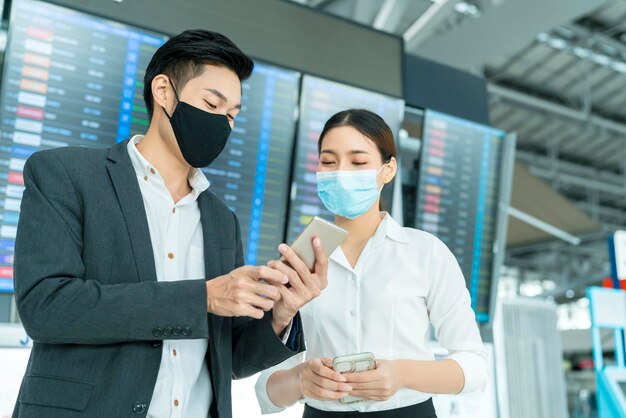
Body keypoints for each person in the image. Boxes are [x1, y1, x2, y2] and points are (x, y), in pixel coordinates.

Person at [12, 29, 328, 418]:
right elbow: (47, 308)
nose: (223, 124)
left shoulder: (221, 221)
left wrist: (281, 314)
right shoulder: (65, 174)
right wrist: (204, 298)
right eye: (212, 104)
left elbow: (227, 360)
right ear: (163, 91)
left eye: (232, 115)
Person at [255, 109, 488, 418]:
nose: (341, 172)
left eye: (359, 161)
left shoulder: (425, 252)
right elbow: (267, 393)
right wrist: (301, 379)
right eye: (328, 161)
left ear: (388, 170)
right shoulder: (299, 260)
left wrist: (403, 374)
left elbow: (474, 366)